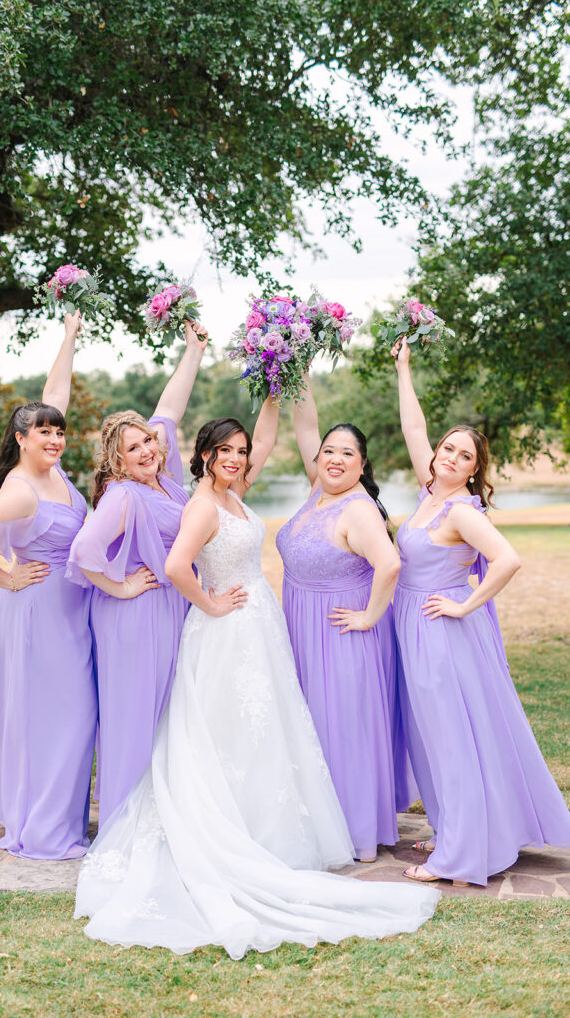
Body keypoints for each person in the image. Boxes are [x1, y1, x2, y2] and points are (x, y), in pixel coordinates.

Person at [74, 405, 439, 959]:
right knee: (228, 730)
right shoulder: (199, 504)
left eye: (241, 453)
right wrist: (210, 602)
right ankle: (239, 833)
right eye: (226, 452)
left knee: (264, 728)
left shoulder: (231, 494)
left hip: (258, 625)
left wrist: (277, 390)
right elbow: (177, 567)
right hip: (226, 626)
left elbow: (270, 440)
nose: (237, 460)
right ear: (204, 457)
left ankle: (269, 828)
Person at [393, 337, 570, 886]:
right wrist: (403, 368)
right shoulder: (428, 492)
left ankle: (459, 858)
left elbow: (507, 560)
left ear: (474, 470)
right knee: (429, 739)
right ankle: (453, 828)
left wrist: (465, 603)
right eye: (447, 449)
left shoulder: (461, 511)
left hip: (439, 631)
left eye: (463, 455)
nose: (449, 457)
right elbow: (413, 429)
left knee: (450, 740)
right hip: (410, 628)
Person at [0, 313, 97, 860]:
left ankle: (61, 817)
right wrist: (7, 579)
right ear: (20, 438)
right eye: (44, 432)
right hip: (40, 613)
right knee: (61, 716)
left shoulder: (53, 471)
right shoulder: (21, 490)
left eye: (59, 431)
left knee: (75, 716)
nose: (55, 438)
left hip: (73, 610)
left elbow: (55, 394)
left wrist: (70, 337)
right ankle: (46, 829)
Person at [66, 320, 207, 828]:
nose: (147, 449)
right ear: (119, 461)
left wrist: (192, 350)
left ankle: (162, 816)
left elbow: (171, 406)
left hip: (171, 607)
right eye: (134, 448)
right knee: (134, 715)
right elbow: (84, 549)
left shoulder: (166, 481)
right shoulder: (125, 495)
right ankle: (126, 826)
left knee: (166, 714)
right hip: (136, 613)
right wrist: (120, 585)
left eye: (148, 440)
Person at [276, 375, 407, 861]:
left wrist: (370, 617)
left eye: (347, 454)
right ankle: (316, 823)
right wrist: (299, 367)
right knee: (310, 726)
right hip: (301, 628)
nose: (334, 458)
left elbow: (390, 564)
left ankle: (353, 830)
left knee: (342, 727)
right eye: (328, 451)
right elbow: (305, 421)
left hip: (340, 632)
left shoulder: (358, 508)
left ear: (363, 464)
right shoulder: (319, 491)